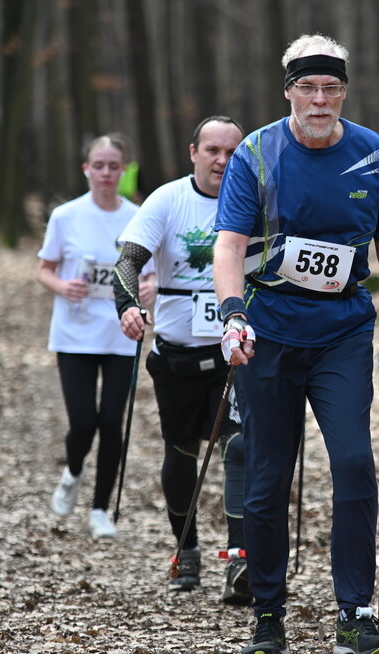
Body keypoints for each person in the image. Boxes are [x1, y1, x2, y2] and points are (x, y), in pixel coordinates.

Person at [213, 34, 379, 654]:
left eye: (331, 88)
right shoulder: (257, 153)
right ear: (289, 92)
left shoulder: (374, 154)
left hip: (342, 332)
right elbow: (229, 244)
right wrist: (232, 316)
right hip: (269, 331)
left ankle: (355, 612)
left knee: (353, 461)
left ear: (344, 92)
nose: (320, 100)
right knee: (268, 474)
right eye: (308, 88)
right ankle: (267, 613)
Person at [113, 115, 252, 604]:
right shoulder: (167, 200)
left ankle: (240, 560)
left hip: (234, 354)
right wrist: (128, 305)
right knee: (181, 453)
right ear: (194, 152)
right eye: (213, 150)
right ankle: (186, 550)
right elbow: (128, 259)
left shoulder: (255, 200)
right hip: (175, 357)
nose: (223, 160)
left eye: (233, 152)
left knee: (239, 447)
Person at [37, 135, 155, 539]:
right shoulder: (65, 216)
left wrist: (150, 288)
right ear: (86, 169)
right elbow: (44, 269)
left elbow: (152, 273)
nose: (106, 173)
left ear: (124, 170)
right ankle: (73, 471)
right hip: (75, 333)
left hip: (123, 331)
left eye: (113, 166)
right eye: (99, 165)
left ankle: (100, 509)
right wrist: (62, 286)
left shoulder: (139, 217)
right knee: (84, 422)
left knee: (112, 421)